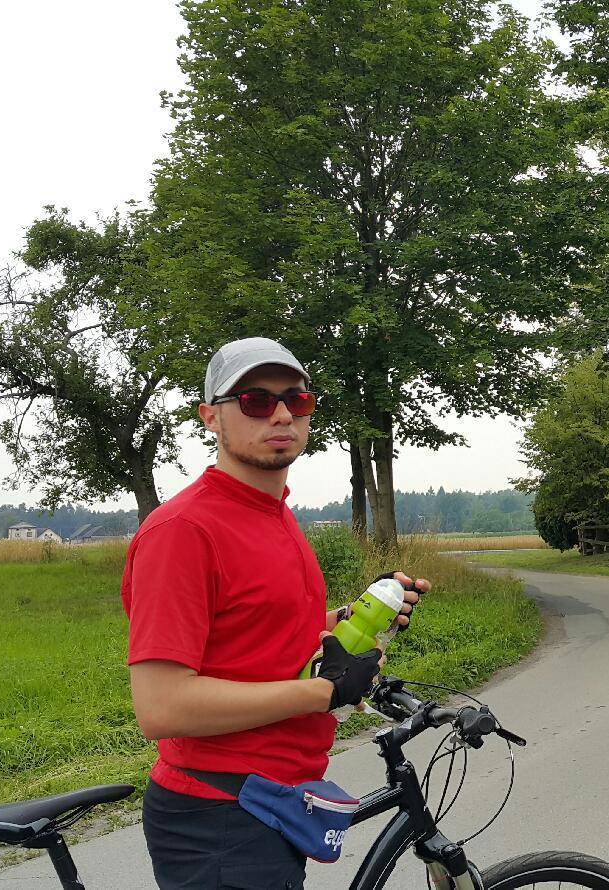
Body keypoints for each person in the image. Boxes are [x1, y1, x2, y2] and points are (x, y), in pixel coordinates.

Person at [121, 337, 426, 889]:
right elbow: (162, 707)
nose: (282, 414)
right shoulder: (183, 532)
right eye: (256, 400)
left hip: (274, 799)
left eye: (296, 399)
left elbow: (264, 635)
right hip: (220, 816)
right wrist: (326, 691)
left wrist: (355, 617)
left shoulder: (274, 513)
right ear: (211, 417)